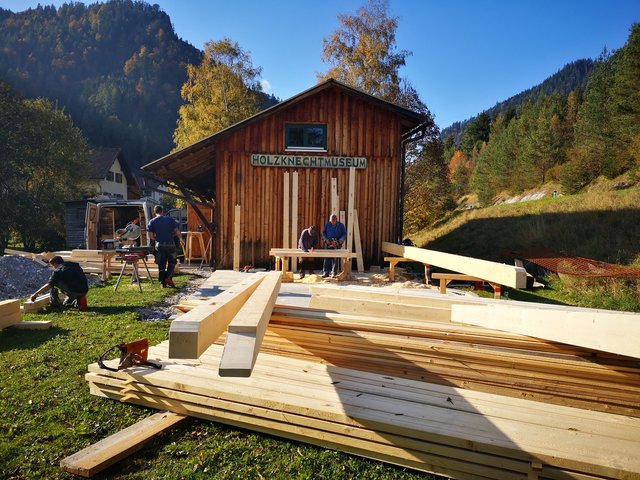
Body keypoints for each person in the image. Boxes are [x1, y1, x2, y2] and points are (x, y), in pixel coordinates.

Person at [147, 205, 181, 288]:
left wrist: (158, 238)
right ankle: (168, 278)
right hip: (170, 244)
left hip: (160, 245)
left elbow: (150, 236)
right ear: (162, 211)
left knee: (161, 264)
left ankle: (163, 283)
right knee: (172, 262)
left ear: (155, 212)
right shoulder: (170, 219)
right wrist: (180, 239)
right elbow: (177, 231)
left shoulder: (152, 221)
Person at [321, 213, 347, 278]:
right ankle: (325, 272)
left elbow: (344, 233)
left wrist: (341, 240)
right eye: (331, 220)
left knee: (335, 258)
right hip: (328, 242)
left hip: (337, 242)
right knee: (327, 257)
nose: (332, 222)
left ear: (336, 219)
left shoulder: (341, 225)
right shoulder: (327, 224)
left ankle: (334, 273)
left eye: (333, 220)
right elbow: (323, 232)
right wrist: (326, 239)